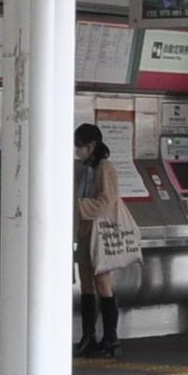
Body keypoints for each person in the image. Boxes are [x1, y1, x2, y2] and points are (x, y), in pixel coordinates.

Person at [73, 123, 133, 359]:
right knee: (87, 284)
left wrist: (78, 207)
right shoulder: (86, 167)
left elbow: (107, 200)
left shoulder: (104, 168)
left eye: (80, 146)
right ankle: (89, 337)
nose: (78, 150)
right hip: (85, 231)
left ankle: (111, 338)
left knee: (102, 284)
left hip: (100, 232)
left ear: (92, 145)